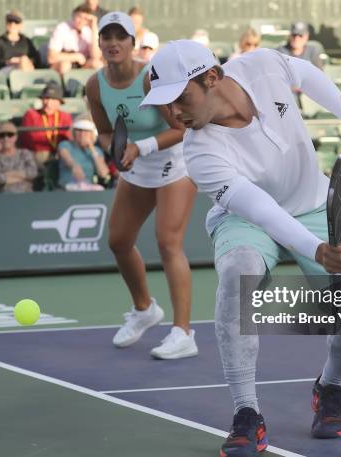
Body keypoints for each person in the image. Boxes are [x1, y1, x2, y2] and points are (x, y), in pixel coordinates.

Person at [140, 40, 341, 454]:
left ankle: (329, 386)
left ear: (212, 78)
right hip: (246, 220)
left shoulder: (261, 65)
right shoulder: (200, 151)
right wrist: (316, 250)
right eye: (166, 105)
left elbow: (307, 75)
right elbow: (260, 210)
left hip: (311, 204)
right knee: (238, 273)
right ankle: (247, 413)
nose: (174, 114)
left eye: (181, 99)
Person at [86, 13, 198, 359]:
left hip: (174, 164)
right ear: (100, 43)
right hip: (135, 168)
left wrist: (141, 147)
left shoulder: (151, 78)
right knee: (118, 241)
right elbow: (105, 130)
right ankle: (145, 308)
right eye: (107, 37)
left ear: (133, 43)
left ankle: (183, 333)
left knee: (168, 242)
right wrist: (116, 149)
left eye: (122, 37)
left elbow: (182, 128)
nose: (114, 43)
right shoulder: (94, 85)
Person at [20, 82, 72, 166]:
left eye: (53, 99)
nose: (48, 103)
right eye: (46, 98)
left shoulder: (65, 116)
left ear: (59, 102)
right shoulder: (31, 114)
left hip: (61, 154)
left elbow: (67, 139)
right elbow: (30, 140)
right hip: (37, 154)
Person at [48, 3, 102, 74]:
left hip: (83, 66)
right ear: (73, 15)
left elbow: (96, 56)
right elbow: (51, 57)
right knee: (65, 65)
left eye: (85, 18)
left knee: (97, 64)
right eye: (79, 17)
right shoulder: (62, 28)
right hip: (63, 65)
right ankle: (65, 85)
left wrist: (94, 28)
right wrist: (75, 57)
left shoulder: (89, 30)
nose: (81, 21)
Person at [57, 116, 109, 190]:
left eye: (86, 131)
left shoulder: (96, 150)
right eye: (79, 130)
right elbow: (66, 157)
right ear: (74, 132)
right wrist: (74, 166)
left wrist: (92, 148)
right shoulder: (65, 145)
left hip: (87, 188)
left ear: (92, 133)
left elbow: (103, 173)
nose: (82, 134)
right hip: (67, 187)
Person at [0, 122, 37, 193]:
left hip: (26, 195)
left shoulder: (25, 153)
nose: (6, 138)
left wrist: (8, 175)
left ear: (16, 137)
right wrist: (22, 176)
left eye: (10, 135)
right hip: (3, 197)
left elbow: (33, 173)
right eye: (2, 135)